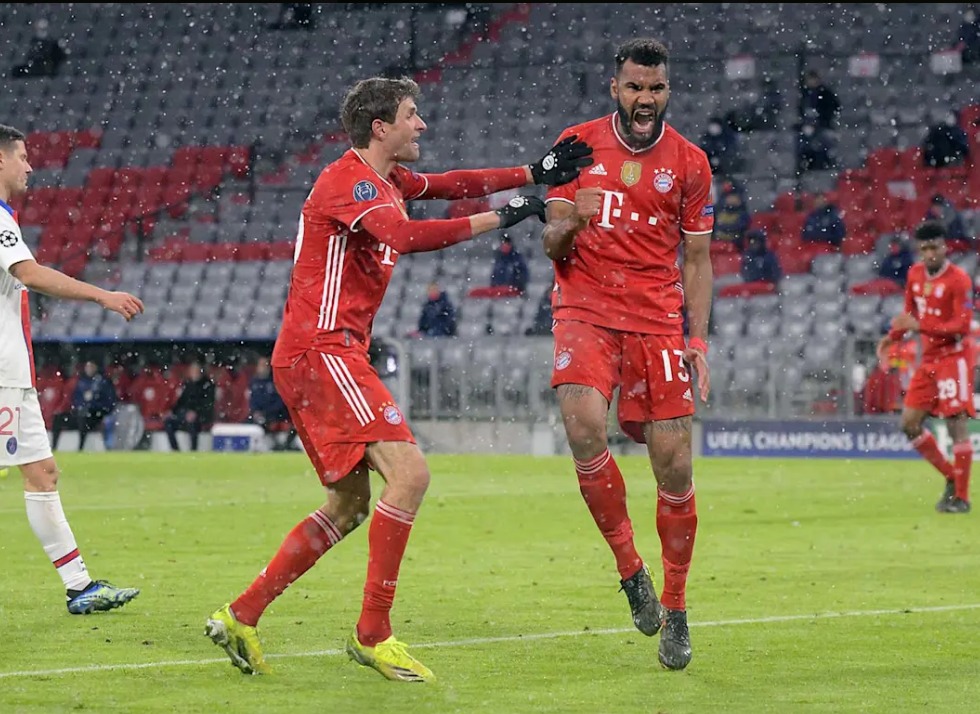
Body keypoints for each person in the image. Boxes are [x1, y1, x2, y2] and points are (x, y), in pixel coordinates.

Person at [204, 75, 593, 681]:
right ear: (380, 127)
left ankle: (241, 615)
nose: (422, 124)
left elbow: (450, 184)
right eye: (412, 114)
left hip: (325, 353)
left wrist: (533, 171)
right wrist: (503, 217)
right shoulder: (351, 181)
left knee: (349, 504)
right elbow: (406, 236)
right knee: (410, 475)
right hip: (322, 350)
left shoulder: (388, 181)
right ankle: (373, 634)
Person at [540, 37, 713, 672]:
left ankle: (677, 605)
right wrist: (571, 222)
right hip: (585, 308)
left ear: (668, 91)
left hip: (657, 321)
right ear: (615, 88)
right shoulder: (575, 144)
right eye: (635, 87)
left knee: (675, 468)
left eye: (656, 88)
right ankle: (629, 569)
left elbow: (697, 259)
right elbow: (551, 244)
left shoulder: (691, 162)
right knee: (584, 426)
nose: (645, 98)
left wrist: (697, 340)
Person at [0, 124, 142, 613]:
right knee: (37, 474)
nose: (30, 166)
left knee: (43, 473)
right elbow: (30, 273)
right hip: (2, 376)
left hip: (12, 375)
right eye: (22, 156)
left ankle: (79, 587)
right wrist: (102, 295)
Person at [876, 220, 974, 514]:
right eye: (925, 248)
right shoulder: (915, 274)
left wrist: (922, 326)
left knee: (956, 424)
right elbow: (909, 314)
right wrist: (891, 338)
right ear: (919, 250)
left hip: (954, 358)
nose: (930, 253)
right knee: (909, 424)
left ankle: (962, 498)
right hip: (929, 360)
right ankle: (952, 477)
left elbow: (961, 327)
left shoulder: (960, 280)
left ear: (945, 247)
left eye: (935, 247)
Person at [50, 359, 117, 451]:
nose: (89, 369)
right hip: (79, 413)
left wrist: (94, 407)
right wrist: (78, 407)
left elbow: (109, 402)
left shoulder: (103, 383)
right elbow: (75, 399)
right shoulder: (81, 382)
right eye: (87, 366)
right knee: (58, 418)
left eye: (91, 366)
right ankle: (53, 447)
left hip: (95, 415)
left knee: (83, 418)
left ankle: (80, 448)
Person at [247, 355, 298, 451]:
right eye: (261, 365)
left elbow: (280, 400)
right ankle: (273, 445)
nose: (263, 368)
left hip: (277, 414)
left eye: (265, 365)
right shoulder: (253, 383)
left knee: (294, 424)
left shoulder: (274, 381)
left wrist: (269, 412)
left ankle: (287, 444)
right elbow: (252, 401)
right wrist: (256, 411)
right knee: (258, 421)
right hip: (261, 416)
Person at [163, 360, 215, 452]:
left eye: (196, 370)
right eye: (192, 370)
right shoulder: (188, 385)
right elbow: (180, 402)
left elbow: (207, 405)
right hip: (184, 415)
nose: (193, 373)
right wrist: (171, 411)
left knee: (192, 423)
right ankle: (175, 450)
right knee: (168, 423)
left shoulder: (208, 385)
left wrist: (196, 413)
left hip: (200, 417)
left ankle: (193, 450)